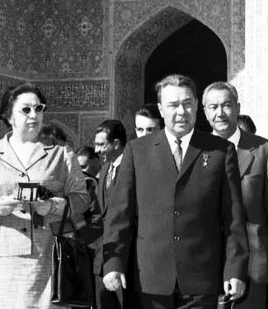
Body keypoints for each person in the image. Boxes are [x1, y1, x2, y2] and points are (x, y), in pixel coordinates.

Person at [103, 73, 248, 309]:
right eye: (173, 105)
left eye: (187, 103)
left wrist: (235, 269)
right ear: (161, 109)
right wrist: (113, 264)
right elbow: (120, 214)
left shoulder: (221, 151)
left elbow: (233, 218)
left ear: (197, 105)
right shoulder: (137, 151)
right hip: (150, 279)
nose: (181, 112)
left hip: (201, 280)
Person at [0, 82, 90, 309]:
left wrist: (52, 206)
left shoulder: (61, 152)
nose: (34, 115)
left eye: (39, 108)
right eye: (26, 109)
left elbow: (82, 198)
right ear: (9, 116)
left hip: (48, 255)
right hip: (4, 259)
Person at [203, 81, 268, 309]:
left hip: (253, 268)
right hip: (206, 266)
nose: (220, 113)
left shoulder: (264, 150)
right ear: (205, 111)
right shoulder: (196, 151)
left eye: (226, 105)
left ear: (237, 107)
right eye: (213, 107)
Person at [91, 119, 139, 309]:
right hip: (102, 258)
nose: (97, 150)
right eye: (96, 144)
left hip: (126, 261)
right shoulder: (105, 170)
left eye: (101, 144)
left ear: (117, 143)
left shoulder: (134, 169)